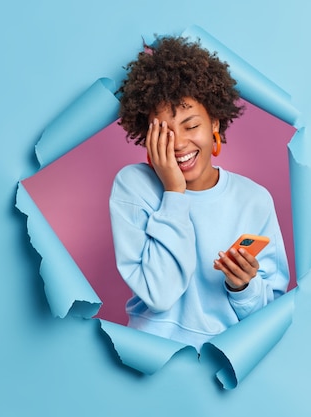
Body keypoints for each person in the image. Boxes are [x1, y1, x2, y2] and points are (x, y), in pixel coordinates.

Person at [109, 35, 289, 349]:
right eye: (164, 132)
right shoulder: (133, 186)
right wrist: (174, 192)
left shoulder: (254, 200)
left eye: (191, 126)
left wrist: (243, 286)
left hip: (222, 361)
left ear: (215, 125)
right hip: (151, 355)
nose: (179, 144)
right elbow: (160, 294)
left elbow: (271, 319)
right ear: (146, 135)